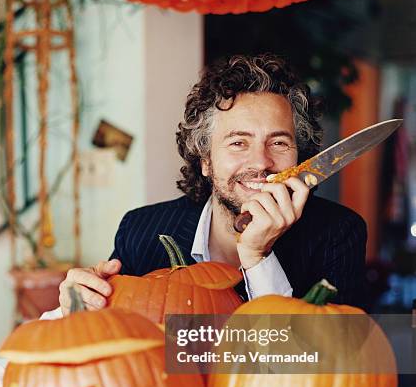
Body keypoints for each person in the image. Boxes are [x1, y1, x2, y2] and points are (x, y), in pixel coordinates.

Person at [44, 53, 367, 320]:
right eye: (238, 142)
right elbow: (109, 344)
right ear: (205, 160)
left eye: (279, 142)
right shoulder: (140, 231)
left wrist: (258, 258)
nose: (261, 162)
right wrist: (73, 310)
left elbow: (323, 369)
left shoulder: (337, 234)